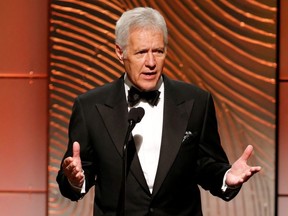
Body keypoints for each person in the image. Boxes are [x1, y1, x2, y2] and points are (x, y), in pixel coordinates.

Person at [57, 7, 261, 216]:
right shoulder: (90, 106)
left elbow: (207, 165)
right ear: (120, 52)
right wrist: (74, 180)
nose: (151, 63)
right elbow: (78, 172)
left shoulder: (197, 101)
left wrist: (227, 176)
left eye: (158, 51)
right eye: (141, 52)